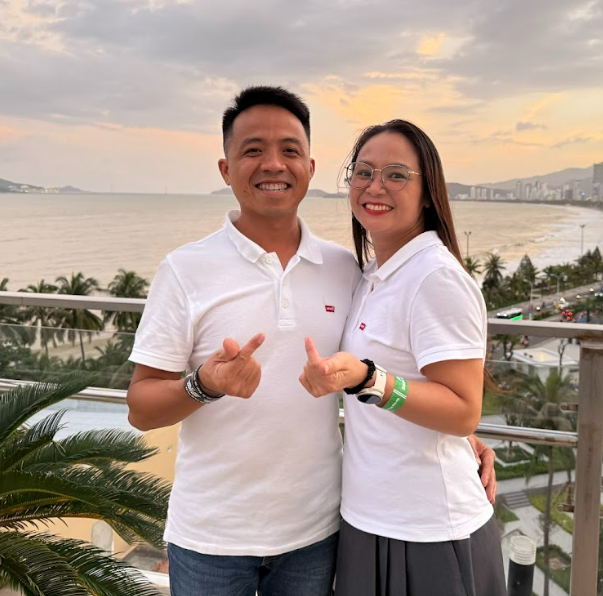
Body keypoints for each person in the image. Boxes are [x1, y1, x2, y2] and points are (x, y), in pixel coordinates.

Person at [126, 87, 498, 596]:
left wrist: (460, 436)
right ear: (225, 169)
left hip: (316, 533)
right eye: (253, 150)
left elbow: (415, 377)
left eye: (290, 150)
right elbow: (141, 409)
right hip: (212, 534)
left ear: (310, 167)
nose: (273, 164)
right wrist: (204, 385)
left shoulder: (345, 269)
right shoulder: (185, 270)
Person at [300, 120, 507, 596]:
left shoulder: (435, 277)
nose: (375, 187)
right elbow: (442, 402)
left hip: (429, 528)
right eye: (363, 172)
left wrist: (369, 380)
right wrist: (464, 438)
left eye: (396, 175)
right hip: (368, 517)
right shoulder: (375, 275)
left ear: (428, 192)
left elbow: (463, 409)